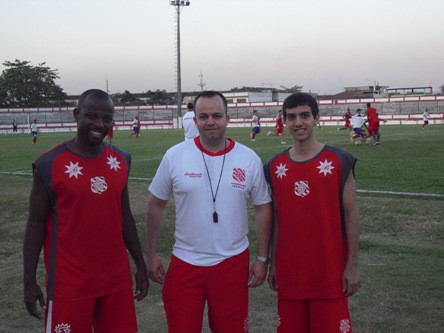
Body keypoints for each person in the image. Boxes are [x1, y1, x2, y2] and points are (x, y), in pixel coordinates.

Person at [145, 90, 272, 333]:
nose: (210, 122)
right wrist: (151, 253)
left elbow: (263, 208)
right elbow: (155, 204)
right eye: (203, 116)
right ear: (195, 121)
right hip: (185, 261)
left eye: (216, 115)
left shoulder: (248, 158)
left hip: (232, 262)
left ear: (228, 118)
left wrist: (262, 258)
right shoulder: (175, 156)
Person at [23, 89, 149, 332]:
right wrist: (29, 280)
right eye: (92, 116)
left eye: (107, 118)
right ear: (76, 115)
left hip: (116, 280)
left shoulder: (122, 159)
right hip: (69, 282)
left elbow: (124, 216)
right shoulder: (49, 164)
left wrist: (140, 265)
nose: (99, 124)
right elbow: (36, 224)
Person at [264, 93, 361, 333]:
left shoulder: (339, 160)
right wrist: (273, 264)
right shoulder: (274, 166)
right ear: (284, 121)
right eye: (291, 117)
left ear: (316, 118)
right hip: (291, 272)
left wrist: (352, 266)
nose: (298, 122)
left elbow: (351, 215)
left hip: (330, 272)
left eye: (304, 115)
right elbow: (277, 221)